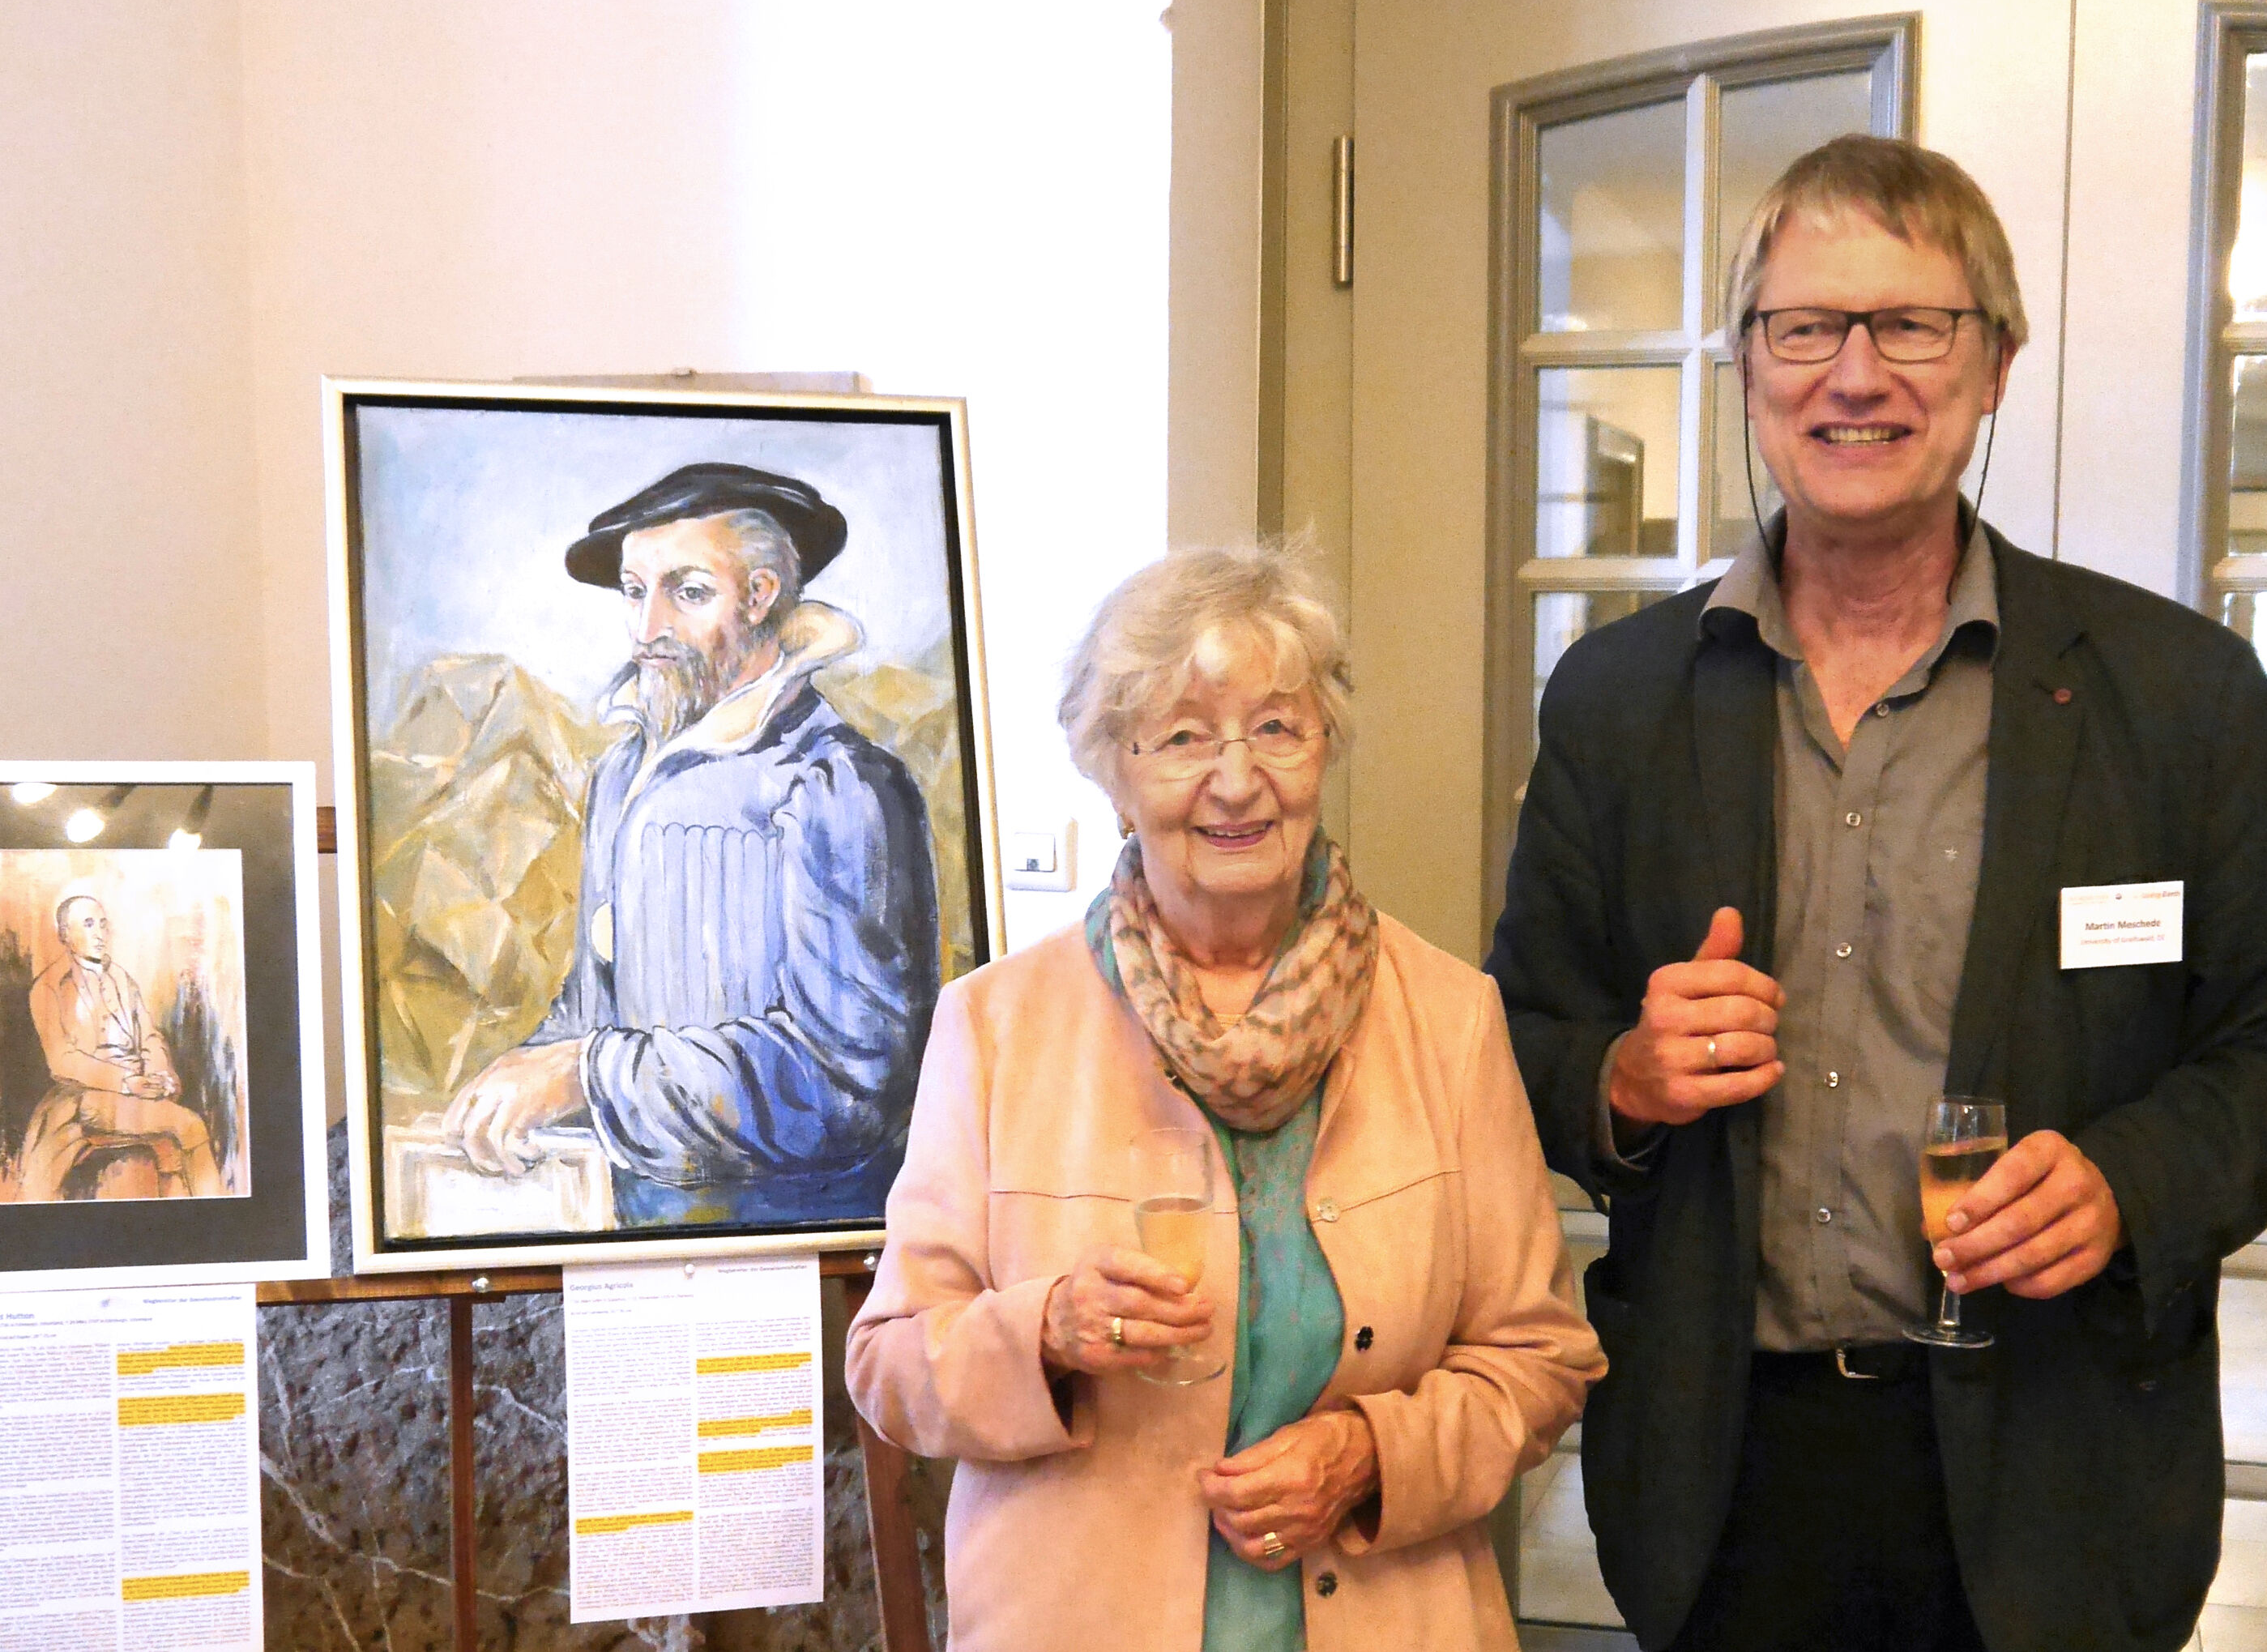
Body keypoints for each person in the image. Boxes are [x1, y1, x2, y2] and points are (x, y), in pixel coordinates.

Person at [1488, 132, 2267, 1652]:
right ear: (1746, 369)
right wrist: (1622, 1078)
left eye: (1911, 324)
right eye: (1805, 327)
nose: (1856, 374)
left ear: (1991, 365)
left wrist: (2125, 1177)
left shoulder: (2179, 695)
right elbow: (1509, 1037)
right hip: (1722, 1473)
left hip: (2062, 1474)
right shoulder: (1615, 698)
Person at [848, 548, 1601, 1651]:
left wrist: (1368, 1456)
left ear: (1323, 748)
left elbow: (1538, 1358)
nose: (1236, 779)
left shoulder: (1448, 1015)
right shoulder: (994, 1023)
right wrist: (1043, 1327)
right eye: (1183, 736)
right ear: (1113, 773)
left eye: (1275, 728)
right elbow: (890, 1364)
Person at [441, 462, 941, 1227]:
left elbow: (848, 1083)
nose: (648, 630)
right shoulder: (619, 774)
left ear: (763, 596)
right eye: (635, 592)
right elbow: (595, 1007)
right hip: (629, 1229)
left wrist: (584, 1074)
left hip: (801, 1237)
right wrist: (517, 1081)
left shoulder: (839, 784)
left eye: (688, 591)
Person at [18, 894, 222, 1200]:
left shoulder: (123, 979)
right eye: (88, 925)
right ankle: (217, 1218)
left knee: (174, 1145)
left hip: (138, 1091)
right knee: (191, 1126)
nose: (99, 933)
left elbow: (150, 1037)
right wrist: (127, 1083)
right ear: (64, 934)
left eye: (103, 924)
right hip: (85, 1097)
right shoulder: (49, 986)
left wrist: (161, 1076)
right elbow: (62, 1061)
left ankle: (188, 1223)